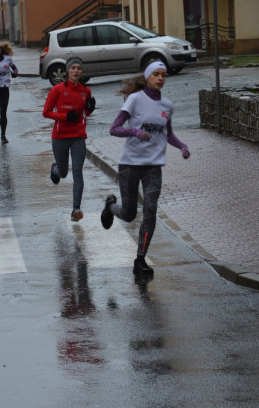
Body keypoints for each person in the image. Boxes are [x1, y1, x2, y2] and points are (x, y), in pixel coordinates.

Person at [100, 60, 190, 276]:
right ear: (148, 77)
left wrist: (182, 146)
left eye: (163, 75)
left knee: (150, 210)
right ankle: (111, 207)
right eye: (156, 74)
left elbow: (167, 133)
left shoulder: (167, 105)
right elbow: (114, 128)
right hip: (130, 164)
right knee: (130, 214)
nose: (160, 78)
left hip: (153, 166)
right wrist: (135, 133)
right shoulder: (135, 99)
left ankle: (140, 259)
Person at [42, 57, 96, 222]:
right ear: (67, 71)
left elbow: (86, 113)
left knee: (78, 172)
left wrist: (90, 108)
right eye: (73, 68)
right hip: (60, 136)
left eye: (79, 68)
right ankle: (55, 169)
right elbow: (46, 112)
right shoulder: (57, 90)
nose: (76, 71)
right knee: (64, 173)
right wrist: (65, 116)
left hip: (78, 136)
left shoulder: (85, 91)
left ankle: (76, 209)